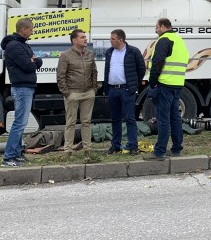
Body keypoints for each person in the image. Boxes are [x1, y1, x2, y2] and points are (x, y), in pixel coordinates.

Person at [145, 18, 189, 160]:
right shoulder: (179, 40)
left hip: (164, 84)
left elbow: (158, 62)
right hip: (177, 84)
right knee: (175, 118)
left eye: (156, 27)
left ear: (163, 27)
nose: (155, 30)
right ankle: (176, 148)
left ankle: (159, 151)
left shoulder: (164, 40)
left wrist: (152, 82)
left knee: (163, 119)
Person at [1, 18, 43, 167]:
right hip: (22, 87)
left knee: (21, 122)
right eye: (31, 30)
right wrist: (32, 61)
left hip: (26, 86)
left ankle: (17, 154)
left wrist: (34, 61)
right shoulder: (14, 46)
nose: (32, 32)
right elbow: (28, 65)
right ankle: (9, 157)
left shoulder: (22, 45)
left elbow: (37, 61)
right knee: (20, 122)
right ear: (24, 29)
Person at [103, 29, 145, 155]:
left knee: (130, 118)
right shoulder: (110, 52)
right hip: (112, 89)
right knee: (115, 119)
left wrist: (133, 85)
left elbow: (141, 68)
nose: (110, 41)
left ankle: (133, 146)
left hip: (126, 90)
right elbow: (107, 70)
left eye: (113, 38)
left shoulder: (133, 51)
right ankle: (115, 145)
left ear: (121, 40)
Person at [56, 28, 97, 157]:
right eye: (82, 37)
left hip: (88, 93)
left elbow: (94, 72)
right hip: (73, 93)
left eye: (85, 37)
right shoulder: (66, 55)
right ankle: (67, 150)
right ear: (74, 40)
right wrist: (67, 93)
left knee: (86, 122)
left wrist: (94, 89)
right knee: (70, 122)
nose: (85, 39)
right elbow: (60, 76)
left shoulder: (90, 54)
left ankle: (87, 149)